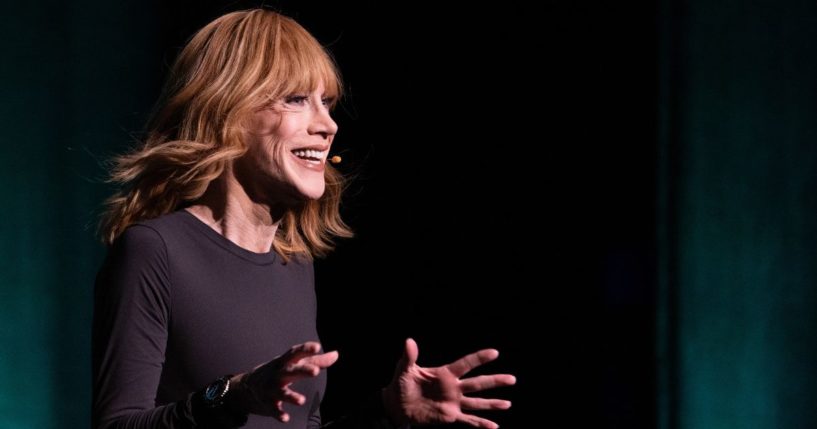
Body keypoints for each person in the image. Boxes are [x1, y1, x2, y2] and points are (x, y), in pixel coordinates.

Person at [92, 8, 515, 429]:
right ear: (228, 112)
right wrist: (230, 394)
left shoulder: (293, 264)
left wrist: (386, 412)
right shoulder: (156, 250)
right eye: (296, 99)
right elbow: (117, 425)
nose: (327, 124)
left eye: (326, 103)